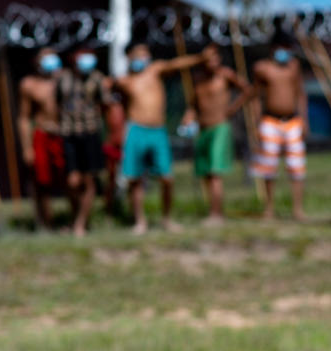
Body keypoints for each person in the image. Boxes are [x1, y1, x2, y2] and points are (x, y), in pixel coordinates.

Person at [113, 42, 209, 234]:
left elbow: (176, 64)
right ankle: (139, 221)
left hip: (157, 130)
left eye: (145, 53)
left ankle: (167, 219)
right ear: (129, 57)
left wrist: (199, 58)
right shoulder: (124, 82)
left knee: (167, 178)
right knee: (135, 179)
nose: (143, 58)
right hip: (136, 130)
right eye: (139, 54)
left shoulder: (155, 71)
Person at [183, 43, 253, 225]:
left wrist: (232, 108)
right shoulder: (197, 80)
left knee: (215, 172)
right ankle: (212, 210)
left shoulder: (225, 75)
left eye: (214, 57)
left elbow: (247, 90)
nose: (211, 61)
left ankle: (216, 214)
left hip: (220, 126)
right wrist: (188, 118)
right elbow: (193, 105)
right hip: (202, 128)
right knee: (205, 172)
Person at [251, 31, 308, 221]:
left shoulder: (294, 67)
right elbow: (256, 97)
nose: (286, 52)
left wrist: (304, 120)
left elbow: (300, 93)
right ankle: (269, 208)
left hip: (292, 120)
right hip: (270, 120)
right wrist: (255, 123)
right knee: (268, 167)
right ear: (274, 48)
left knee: (296, 166)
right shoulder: (262, 68)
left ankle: (298, 209)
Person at [56, 47, 111, 237]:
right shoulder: (62, 78)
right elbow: (56, 103)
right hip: (68, 133)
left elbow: (105, 105)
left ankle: (80, 223)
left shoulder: (97, 79)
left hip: (90, 133)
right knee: (72, 181)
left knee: (88, 179)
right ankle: (75, 218)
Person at [17, 48, 64, 230]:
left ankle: (73, 219)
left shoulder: (64, 81)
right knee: (41, 181)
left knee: (70, 179)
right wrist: (26, 147)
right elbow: (23, 117)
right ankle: (45, 221)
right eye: (45, 57)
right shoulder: (29, 84)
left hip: (63, 134)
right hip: (41, 134)